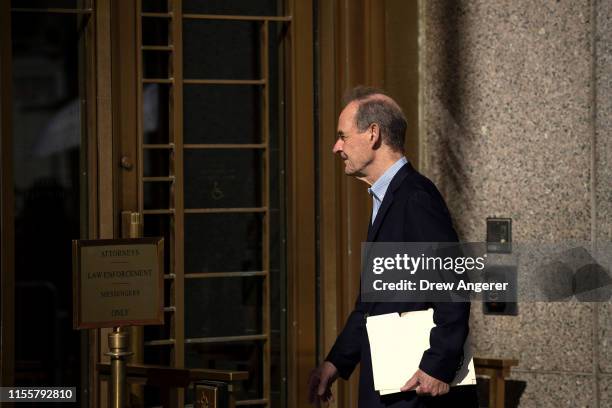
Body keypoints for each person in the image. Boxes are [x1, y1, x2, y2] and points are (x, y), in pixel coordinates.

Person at [308, 87, 478, 407]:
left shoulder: (415, 197)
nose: (336, 147)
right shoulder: (386, 198)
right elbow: (373, 303)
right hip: (392, 389)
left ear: (373, 134)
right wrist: (336, 363)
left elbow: (453, 282)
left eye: (343, 136)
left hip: (416, 391)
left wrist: (438, 366)